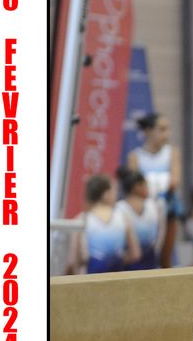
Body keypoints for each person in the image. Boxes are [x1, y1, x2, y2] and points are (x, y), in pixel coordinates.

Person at [127, 112, 182, 267]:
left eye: (168, 129)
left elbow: (175, 181)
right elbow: (133, 186)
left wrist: (149, 184)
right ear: (148, 131)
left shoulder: (172, 153)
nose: (167, 134)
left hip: (168, 207)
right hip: (143, 211)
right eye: (162, 129)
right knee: (143, 254)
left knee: (165, 257)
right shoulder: (135, 156)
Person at [68, 174, 140, 274]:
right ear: (106, 195)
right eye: (114, 191)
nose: (116, 194)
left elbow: (73, 261)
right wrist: (117, 261)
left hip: (92, 276)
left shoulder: (82, 219)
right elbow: (135, 254)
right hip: (117, 274)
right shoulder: (123, 217)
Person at [115, 166, 166, 271]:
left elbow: (160, 235)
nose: (148, 188)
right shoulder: (120, 209)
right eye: (145, 185)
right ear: (136, 187)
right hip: (131, 262)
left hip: (149, 260)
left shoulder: (154, 205)